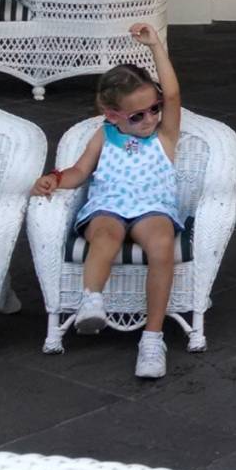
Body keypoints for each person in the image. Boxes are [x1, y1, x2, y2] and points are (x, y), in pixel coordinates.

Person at [33, 23, 183, 379]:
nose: (150, 118)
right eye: (137, 115)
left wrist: (156, 47)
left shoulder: (164, 136)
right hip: (109, 207)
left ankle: (152, 338)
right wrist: (54, 178)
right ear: (113, 116)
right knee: (104, 236)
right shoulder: (104, 136)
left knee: (162, 244)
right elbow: (80, 171)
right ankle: (92, 299)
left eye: (154, 109)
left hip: (152, 208)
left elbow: (174, 95)